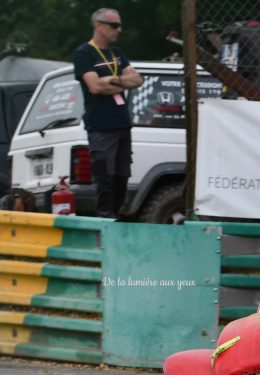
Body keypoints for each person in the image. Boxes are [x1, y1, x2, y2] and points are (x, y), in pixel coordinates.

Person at [74, 8, 143, 218]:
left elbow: (138, 81)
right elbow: (94, 87)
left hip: (122, 122)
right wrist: (123, 82)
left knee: (122, 177)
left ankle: (117, 216)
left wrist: (113, 81)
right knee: (105, 178)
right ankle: (105, 220)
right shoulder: (85, 53)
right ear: (98, 25)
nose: (119, 30)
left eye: (120, 25)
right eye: (114, 25)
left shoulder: (117, 54)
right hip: (101, 126)